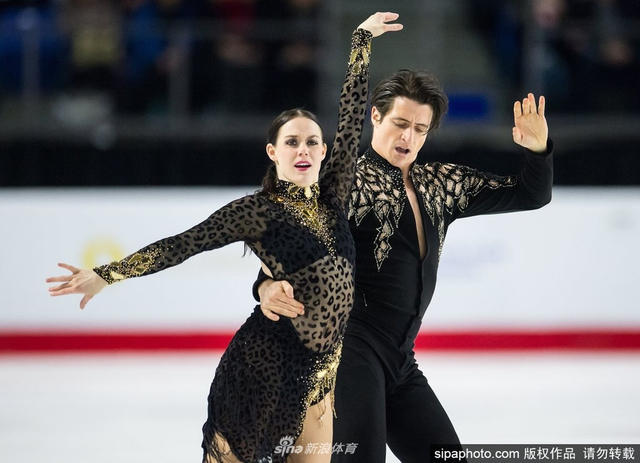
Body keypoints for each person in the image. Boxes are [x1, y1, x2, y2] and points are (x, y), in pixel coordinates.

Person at [45, 12, 403, 463]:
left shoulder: (335, 196)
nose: (304, 150)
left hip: (319, 382)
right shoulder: (255, 212)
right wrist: (106, 274)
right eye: (292, 142)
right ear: (273, 152)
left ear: (324, 151)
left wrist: (361, 41)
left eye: (312, 142)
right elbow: (182, 245)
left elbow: (351, 121)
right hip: (262, 370)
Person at [254, 71, 553, 460]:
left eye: (419, 129)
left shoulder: (440, 185)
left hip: (400, 361)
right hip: (349, 355)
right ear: (376, 117)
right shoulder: (344, 186)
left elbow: (530, 194)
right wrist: (266, 287)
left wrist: (537, 149)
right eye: (399, 123)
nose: (408, 137)